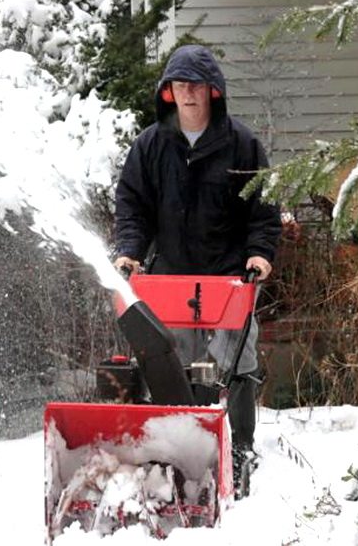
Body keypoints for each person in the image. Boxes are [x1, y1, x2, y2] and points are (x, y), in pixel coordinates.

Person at [112, 44, 282, 485]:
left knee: (237, 360)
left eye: (196, 86)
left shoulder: (242, 145)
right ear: (168, 93)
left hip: (228, 274)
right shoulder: (150, 145)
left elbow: (262, 206)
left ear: (213, 92)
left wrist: (259, 253)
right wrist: (130, 249)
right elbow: (132, 205)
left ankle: (241, 449)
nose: (187, 94)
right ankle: (179, 453)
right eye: (179, 86)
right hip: (171, 276)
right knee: (174, 362)